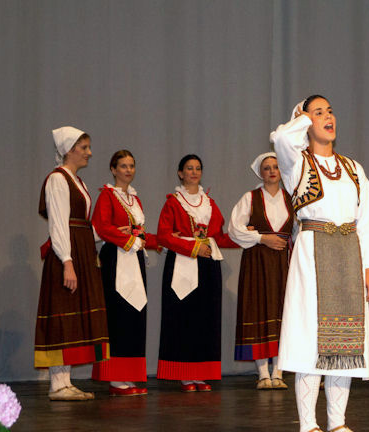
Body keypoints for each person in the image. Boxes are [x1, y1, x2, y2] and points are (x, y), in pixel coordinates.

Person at [271, 95, 369, 432]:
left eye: (330, 111)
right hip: (314, 251)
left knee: (347, 339)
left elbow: (367, 219)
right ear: (304, 120)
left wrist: (368, 268)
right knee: (312, 338)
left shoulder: (352, 168)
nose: (328, 117)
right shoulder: (297, 163)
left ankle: (337, 422)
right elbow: (281, 137)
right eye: (318, 112)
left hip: (348, 252)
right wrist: (301, 117)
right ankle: (307, 427)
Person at [35, 126, 109, 401]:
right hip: (66, 253)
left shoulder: (78, 182)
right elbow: (58, 223)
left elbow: (83, 224)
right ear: (69, 150)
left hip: (80, 250)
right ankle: (57, 384)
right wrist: (67, 261)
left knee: (74, 313)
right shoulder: (58, 179)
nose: (89, 153)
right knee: (63, 310)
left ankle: (64, 382)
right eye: (84, 147)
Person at [156, 154, 237, 392]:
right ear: (180, 173)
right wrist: (192, 247)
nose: (194, 172)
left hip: (208, 265)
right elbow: (163, 236)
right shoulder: (173, 202)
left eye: (198, 168)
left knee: (205, 318)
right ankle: (184, 373)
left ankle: (201, 373)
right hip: (182, 263)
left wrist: (245, 236)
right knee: (184, 317)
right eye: (189, 168)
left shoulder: (209, 202)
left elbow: (218, 236)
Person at [91, 150, 159, 396]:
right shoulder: (107, 195)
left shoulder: (134, 198)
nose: (128, 170)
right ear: (113, 169)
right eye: (123, 166)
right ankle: (115, 378)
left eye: (131, 165)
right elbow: (102, 227)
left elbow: (138, 232)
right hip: (116, 258)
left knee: (134, 316)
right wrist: (128, 238)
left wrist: (154, 239)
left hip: (134, 257)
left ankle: (128, 375)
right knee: (118, 315)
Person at [228, 152, 294, 390]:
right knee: (258, 309)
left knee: (282, 311)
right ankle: (263, 372)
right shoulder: (250, 198)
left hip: (284, 263)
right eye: (267, 168)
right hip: (257, 261)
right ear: (260, 173)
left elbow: (300, 231)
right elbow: (234, 229)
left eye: (276, 167)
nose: (272, 171)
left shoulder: (292, 199)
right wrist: (262, 238)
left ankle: (278, 371)